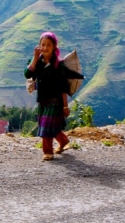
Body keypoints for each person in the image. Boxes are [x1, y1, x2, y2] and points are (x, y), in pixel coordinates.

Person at [25, 32, 84, 161]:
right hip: (42, 101)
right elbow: (27, 73)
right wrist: (35, 58)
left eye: (48, 45)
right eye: (43, 45)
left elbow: (63, 87)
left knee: (46, 127)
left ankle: (48, 152)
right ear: (39, 46)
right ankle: (63, 141)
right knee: (51, 127)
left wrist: (65, 106)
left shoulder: (58, 64)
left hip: (55, 101)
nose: (45, 48)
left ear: (54, 47)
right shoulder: (37, 62)